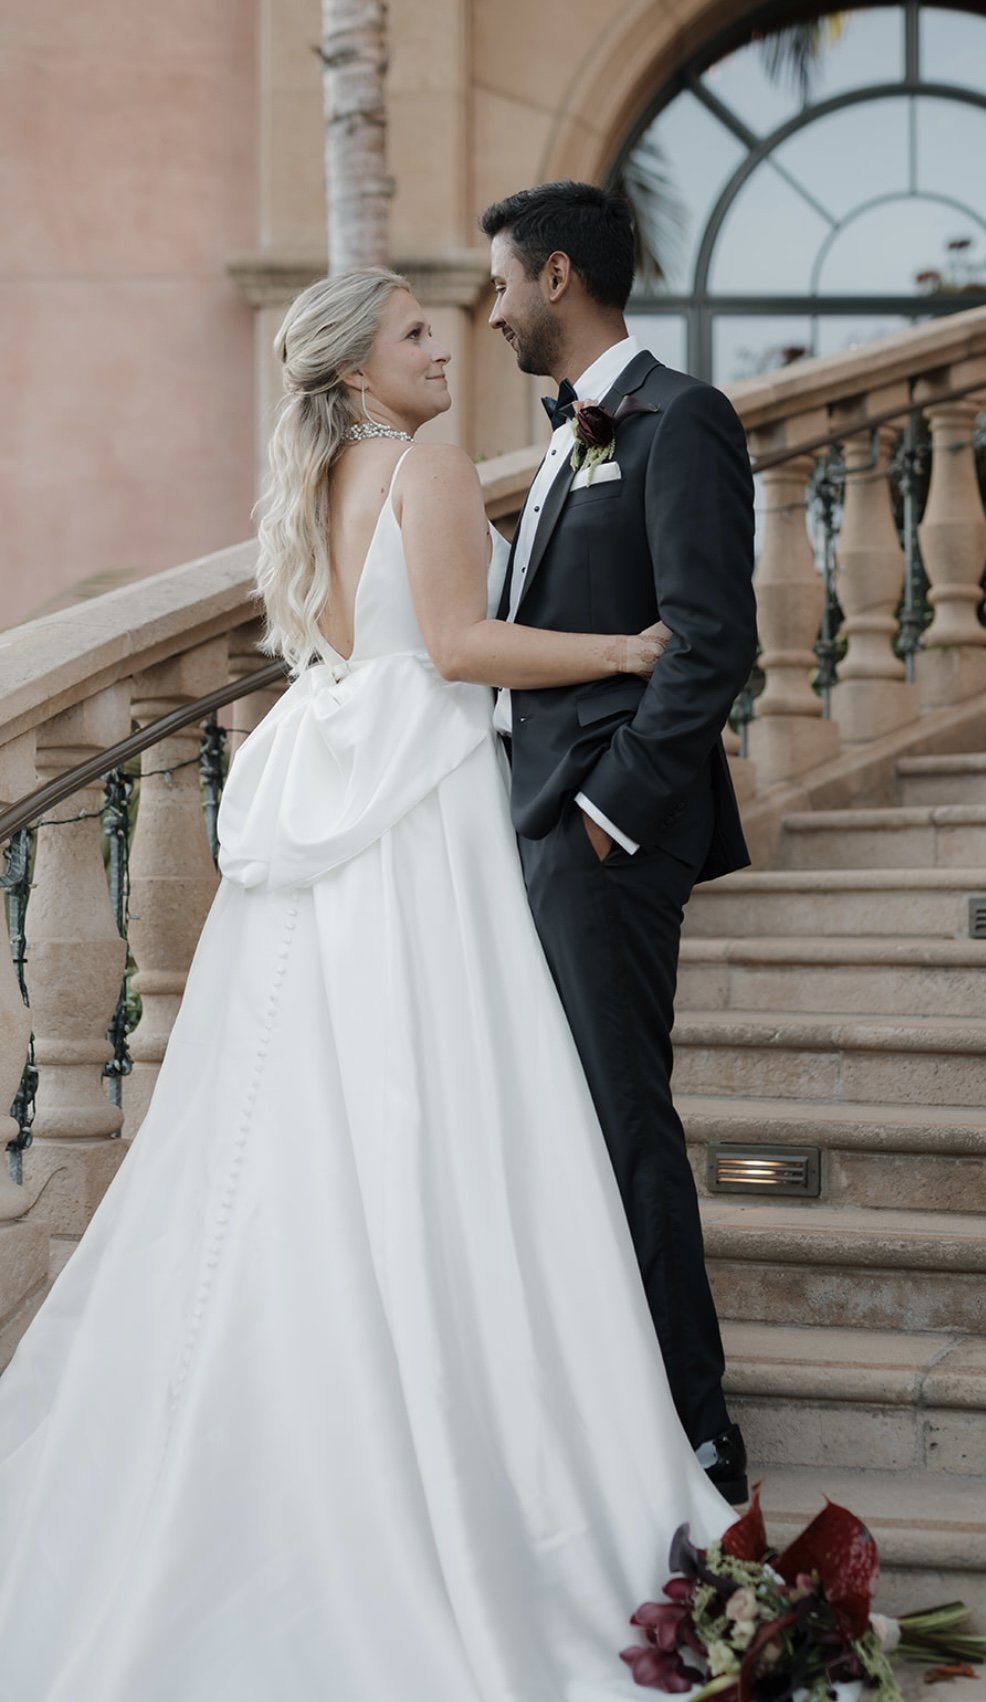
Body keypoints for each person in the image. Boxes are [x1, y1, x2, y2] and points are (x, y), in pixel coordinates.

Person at [0, 267, 733, 1702]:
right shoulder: (429, 462)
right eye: (410, 334)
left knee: (315, 1112)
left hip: (339, 777)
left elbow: (371, 643)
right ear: (354, 373)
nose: (440, 346)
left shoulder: (319, 477)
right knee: (455, 1094)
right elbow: (458, 649)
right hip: (428, 800)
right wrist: (627, 648)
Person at [480, 181, 758, 1501]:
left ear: (554, 276)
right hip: (530, 824)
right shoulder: (561, 441)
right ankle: (606, 1400)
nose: (490, 312)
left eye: (498, 285)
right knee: (569, 1120)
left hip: (603, 833)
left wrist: (609, 814)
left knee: (624, 1115)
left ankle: (696, 1426)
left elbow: (710, 640)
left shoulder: (680, 419)